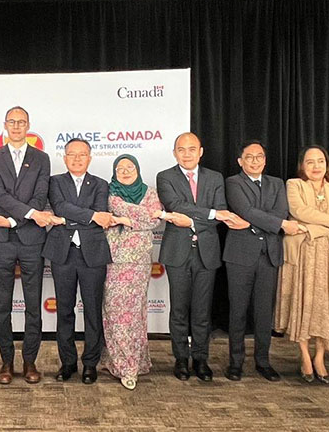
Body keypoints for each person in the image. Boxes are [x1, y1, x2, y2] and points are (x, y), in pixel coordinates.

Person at [0, 106, 60, 385]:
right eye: (12, 122)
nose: (16, 126)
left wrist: (15, 221)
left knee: (33, 305)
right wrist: (25, 215)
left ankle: (30, 360)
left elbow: (41, 196)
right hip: (1, 241)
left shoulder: (41, 158)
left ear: (28, 126)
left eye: (21, 122)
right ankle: (6, 361)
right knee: (2, 304)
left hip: (31, 239)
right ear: (5, 125)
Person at [156, 133, 242, 382]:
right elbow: (176, 206)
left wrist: (194, 221)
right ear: (174, 153)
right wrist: (212, 215)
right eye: (181, 149)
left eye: (192, 149)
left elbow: (221, 212)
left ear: (201, 151)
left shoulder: (215, 178)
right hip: (177, 252)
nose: (187, 154)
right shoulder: (165, 177)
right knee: (179, 310)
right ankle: (181, 359)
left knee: (202, 311)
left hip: (207, 251)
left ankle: (201, 359)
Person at [275, 145, 329, 383]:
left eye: (320, 161)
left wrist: (311, 228)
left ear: (327, 164)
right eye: (310, 162)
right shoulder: (294, 185)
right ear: (302, 165)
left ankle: (320, 356)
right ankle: (304, 355)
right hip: (302, 253)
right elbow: (300, 211)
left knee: (325, 306)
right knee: (303, 303)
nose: (315, 166)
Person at [223, 140, 302, 382]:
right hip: (240, 256)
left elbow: (280, 212)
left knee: (264, 312)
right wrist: (277, 224)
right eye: (249, 157)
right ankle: (235, 362)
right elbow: (245, 210)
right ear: (240, 161)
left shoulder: (276, 183)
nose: (255, 161)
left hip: (269, 254)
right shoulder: (233, 183)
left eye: (259, 156)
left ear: (265, 160)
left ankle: (263, 362)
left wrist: (259, 222)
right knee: (238, 311)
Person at [44, 139, 114, 384]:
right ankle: (68, 362)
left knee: (93, 311)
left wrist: (67, 220)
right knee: (65, 310)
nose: (76, 159)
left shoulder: (101, 184)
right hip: (63, 254)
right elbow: (60, 206)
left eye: (82, 154)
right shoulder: (54, 182)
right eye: (71, 154)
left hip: (92, 254)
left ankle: (90, 363)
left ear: (89, 158)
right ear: (64, 158)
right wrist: (91, 216)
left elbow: (99, 213)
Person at [100, 154, 163, 390]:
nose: (125, 171)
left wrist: (124, 220)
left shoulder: (149, 192)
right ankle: (119, 363)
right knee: (115, 312)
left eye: (129, 167)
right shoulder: (110, 193)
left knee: (135, 313)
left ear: (137, 169)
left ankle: (135, 363)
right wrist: (140, 216)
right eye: (120, 168)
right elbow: (146, 215)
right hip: (114, 260)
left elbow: (154, 220)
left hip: (139, 263)